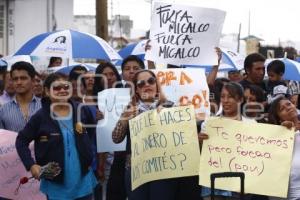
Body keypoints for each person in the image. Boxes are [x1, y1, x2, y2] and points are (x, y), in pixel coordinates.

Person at [112, 69, 199, 200]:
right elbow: (116, 139)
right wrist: (124, 119)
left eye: (151, 81)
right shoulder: (130, 109)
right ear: (136, 89)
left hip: (165, 170)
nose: (147, 85)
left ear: (156, 85)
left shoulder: (171, 107)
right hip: (137, 170)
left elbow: (186, 135)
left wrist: (171, 116)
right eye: (141, 83)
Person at [15, 73, 97, 200]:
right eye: (57, 88)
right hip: (56, 183)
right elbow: (21, 141)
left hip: (83, 181)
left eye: (66, 87)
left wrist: (88, 155)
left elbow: (91, 135)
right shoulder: (40, 117)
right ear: (47, 91)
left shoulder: (82, 110)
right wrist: (31, 165)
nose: (63, 90)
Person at [199, 82, 257, 200]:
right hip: (213, 186)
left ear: (240, 99)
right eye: (222, 96)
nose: (225, 100)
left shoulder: (252, 125)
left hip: (240, 186)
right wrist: (199, 142)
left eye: (230, 96)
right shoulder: (209, 124)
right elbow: (202, 155)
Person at [106, 55, 145, 200]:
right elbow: (115, 137)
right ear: (122, 73)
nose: (132, 71)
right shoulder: (114, 96)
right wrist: (124, 118)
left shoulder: (155, 99)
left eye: (136, 68)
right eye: (127, 69)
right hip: (124, 157)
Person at [268, 97, 300, 200]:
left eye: (289, 104)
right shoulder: (275, 138)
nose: (288, 108)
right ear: (279, 118)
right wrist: (282, 132)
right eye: (282, 109)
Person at [0, 62, 41, 132]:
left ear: (33, 80)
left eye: (23, 78)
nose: (19, 82)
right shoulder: (3, 110)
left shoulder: (44, 106)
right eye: (15, 79)